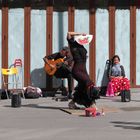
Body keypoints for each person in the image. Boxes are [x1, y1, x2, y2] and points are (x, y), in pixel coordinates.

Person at [67, 32, 100, 109]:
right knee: (89, 83)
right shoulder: (72, 43)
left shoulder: (82, 46)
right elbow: (69, 33)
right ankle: (92, 103)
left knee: (82, 87)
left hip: (83, 70)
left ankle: (72, 103)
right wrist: (79, 34)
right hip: (77, 70)